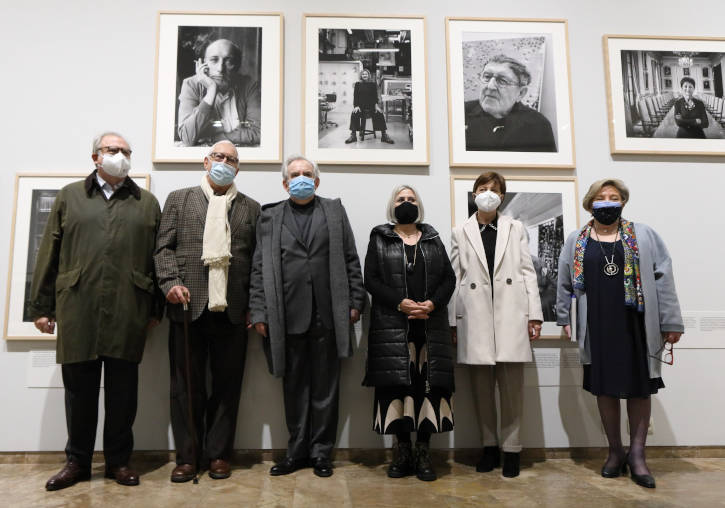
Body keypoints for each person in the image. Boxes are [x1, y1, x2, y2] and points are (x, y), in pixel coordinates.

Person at [30, 132, 163, 490]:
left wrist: (156, 308)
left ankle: (119, 462)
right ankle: (77, 462)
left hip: (128, 306)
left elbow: (158, 259)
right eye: (112, 150)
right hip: (78, 304)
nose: (119, 155)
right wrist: (41, 307)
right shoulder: (70, 196)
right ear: (95, 157)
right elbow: (49, 252)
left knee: (123, 393)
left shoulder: (147, 202)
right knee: (79, 392)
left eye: (125, 151)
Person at [556, 179, 683, 489]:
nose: (608, 202)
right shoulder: (577, 239)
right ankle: (615, 452)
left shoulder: (644, 234)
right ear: (590, 203)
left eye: (614, 197)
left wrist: (671, 321)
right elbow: (565, 281)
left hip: (636, 322)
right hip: (597, 324)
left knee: (640, 389)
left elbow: (663, 276)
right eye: (601, 198)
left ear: (623, 202)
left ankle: (637, 455)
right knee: (606, 389)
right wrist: (563, 316)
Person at [249, 155, 366, 478]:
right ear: (285, 183)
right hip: (286, 316)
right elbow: (259, 268)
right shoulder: (270, 217)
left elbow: (350, 258)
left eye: (307, 174)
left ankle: (321, 453)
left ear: (316, 181)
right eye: (295, 174)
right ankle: (296, 451)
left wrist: (356, 300)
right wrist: (259, 310)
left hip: (328, 315)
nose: (301, 178)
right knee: (294, 387)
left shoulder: (333, 211)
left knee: (326, 388)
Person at [154, 140, 260, 483]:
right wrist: (170, 282)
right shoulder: (178, 199)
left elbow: (257, 262)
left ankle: (218, 455)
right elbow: (163, 248)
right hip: (187, 308)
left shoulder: (251, 207)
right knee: (186, 387)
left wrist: (254, 306)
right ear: (205, 161)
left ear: (238, 169)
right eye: (218, 156)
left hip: (232, 311)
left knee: (228, 387)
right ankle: (187, 457)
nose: (224, 162)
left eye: (231, 159)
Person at [449, 171, 543, 478]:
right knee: (481, 390)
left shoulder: (515, 228)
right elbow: (454, 279)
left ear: (502, 196)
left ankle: (512, 450)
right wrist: (452, 321)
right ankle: (489, 446)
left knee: (513, 390)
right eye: (482, 188)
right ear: (474, 193)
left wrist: (535, 315)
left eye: (494, 189)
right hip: (474, 317)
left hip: (511, 315)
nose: (488, 192)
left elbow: (528, 272)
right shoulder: (459, 231)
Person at [363, 185, 456, 482]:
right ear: (393, 205)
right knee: (396, 389)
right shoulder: (380, 236)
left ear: (419, 205)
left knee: (428, 388)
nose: (406, 203)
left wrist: (432, 303)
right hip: (393, 327)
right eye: (401, 199)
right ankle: (401, 451)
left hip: (429, 327)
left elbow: (449, 279)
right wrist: (399, 303)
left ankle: (424, 452)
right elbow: (371, 279)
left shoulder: (433, 237)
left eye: (411, 199)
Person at [177, 38, 261, 147]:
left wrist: (218, 139)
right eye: (214, 60)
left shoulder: (249, 85)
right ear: (202, 63)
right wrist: (211, 91)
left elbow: (259, 131)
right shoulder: (190, 85)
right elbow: (187, 137)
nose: (220, 68)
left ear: (237, 65)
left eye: (228, 60)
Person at [464, 55, 556, 152]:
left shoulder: (537, 125)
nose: (490, 86)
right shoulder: (461, 113)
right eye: (487, 77)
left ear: (520, 93)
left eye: (502, 81)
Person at [344, 68, 395, 144]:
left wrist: (376, 106)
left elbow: (375, 97)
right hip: (360, 108)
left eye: (366, 74)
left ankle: (384, 135)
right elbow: (355, 97)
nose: (364, 75)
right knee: (354, 114)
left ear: (368, 75)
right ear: (361, 76)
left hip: (371, 107)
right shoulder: (357, 84)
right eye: (363, 74)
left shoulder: (372, 84)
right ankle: (353, 135)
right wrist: (356, 106)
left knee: (380, 114)